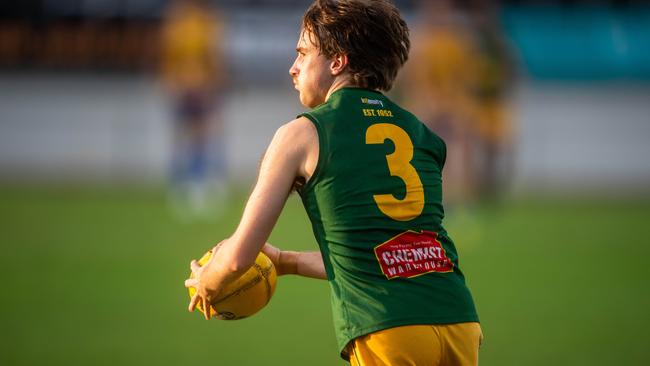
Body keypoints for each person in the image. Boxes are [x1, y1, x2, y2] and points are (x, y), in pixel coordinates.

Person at [184, 1, 481, 365]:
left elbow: (236, 259)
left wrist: (205, 282)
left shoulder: (302, 134)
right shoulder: (423, 134)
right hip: (459, 320)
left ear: (337, 62)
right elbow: (389, 256)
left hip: (387, 328)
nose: (292, 68)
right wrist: (286, 262)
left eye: (303, 53)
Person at [160, 0, 228, 218]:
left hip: (204, 88)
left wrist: (213, 84)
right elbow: (168, 57)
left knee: (206, 138)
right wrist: (172, 83)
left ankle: (204, 185)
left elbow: (215, 58)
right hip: (183, 88)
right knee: (183, 138)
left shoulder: (208, 21)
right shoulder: (177, 20)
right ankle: (182, 186)